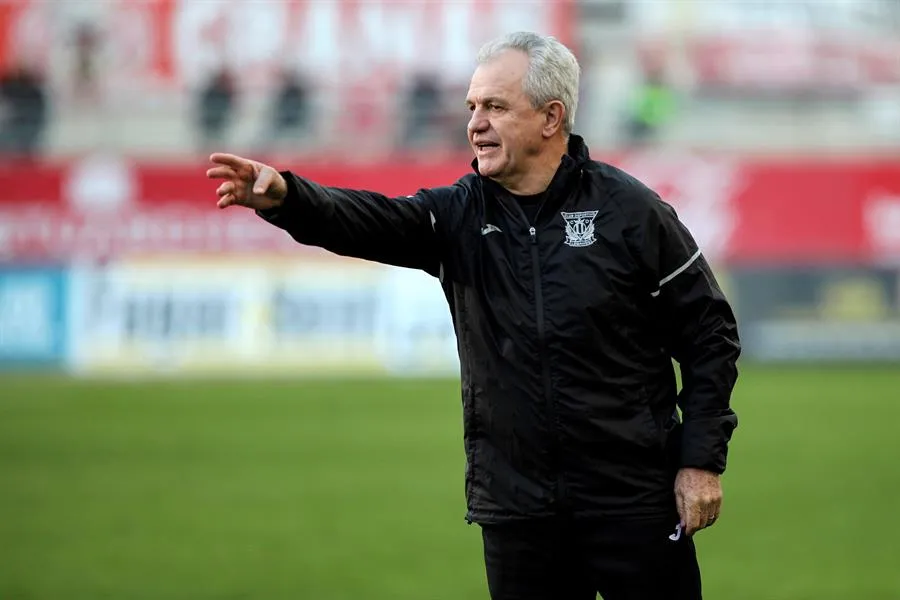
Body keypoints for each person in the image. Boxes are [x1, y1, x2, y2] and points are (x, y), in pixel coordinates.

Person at [206, 31, 740, 600]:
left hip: (631, 501)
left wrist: (700, 461)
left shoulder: (630, 211)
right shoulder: (458, 213)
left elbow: (710, 334)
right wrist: (290, 198)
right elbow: (371, 219)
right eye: (472, 107)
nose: (475, 122)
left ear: (551, 117)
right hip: (517, 512)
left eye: (496, 106)